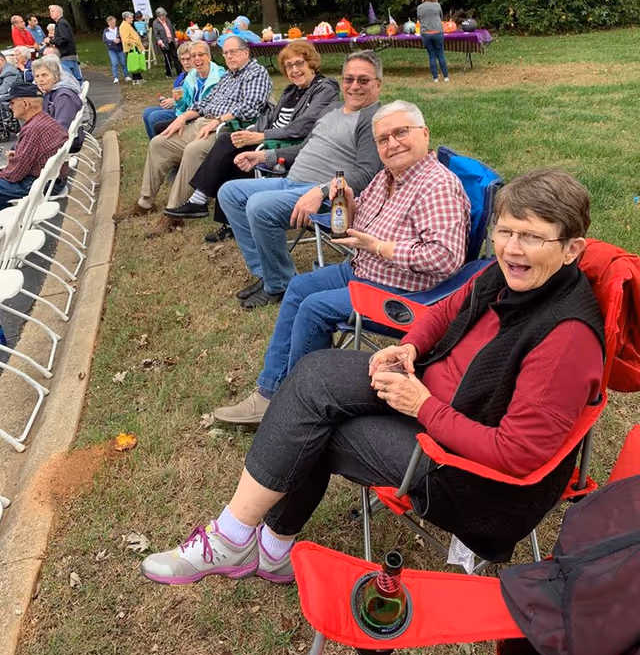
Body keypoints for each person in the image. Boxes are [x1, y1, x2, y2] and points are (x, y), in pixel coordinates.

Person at [141, 168, 605, 586]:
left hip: (473, 479)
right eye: (505, 231)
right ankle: (250, 541)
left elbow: (516, 456)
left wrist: (421, 405)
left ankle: (248, 542)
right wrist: (409, 346)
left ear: (571, 250)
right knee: (314, 375)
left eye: (531, 237)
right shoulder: (502, 275)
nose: (512, 247)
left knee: (323, 425)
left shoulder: (566, 339)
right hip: (436, 401)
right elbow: (445, 309)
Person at [214, 100, 471, 425]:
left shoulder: (436, 185)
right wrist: (347, 201)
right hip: (363, 271)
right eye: (383, 139)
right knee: (299, 287)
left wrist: (378, 247)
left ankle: (297, 405)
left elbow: (445, 258)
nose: (392, 144)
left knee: (314, 308)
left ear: (424, 133)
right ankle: (269, 392)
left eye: (401, 133)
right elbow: (360, 212)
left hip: (401, 290)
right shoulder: (388, 177)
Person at [216, 50, 384, 308]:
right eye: (349, 79)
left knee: (259, 207)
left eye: (363, 80)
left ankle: (280, 285)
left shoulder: (373, 119)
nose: (354, 86)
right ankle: (268, 273)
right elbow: (306, 147)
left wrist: (320, 191)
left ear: (378, 85)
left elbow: (365, 173)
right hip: (291, 181)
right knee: (229, 193)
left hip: (329, 198)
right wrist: (265, 157)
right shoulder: (334, 109)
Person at [164, 40, 340, 235]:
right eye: (289, 66)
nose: (294, 70)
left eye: (299, 64)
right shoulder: (291, 90)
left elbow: (303, 127)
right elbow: (270, 118)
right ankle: (224, 217)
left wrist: (259, 136)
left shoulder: (324, 88)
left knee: (230, 144)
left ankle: (202, 201)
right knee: (233, 141)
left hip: (290, 143)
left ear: (311, 63)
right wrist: (251, 132)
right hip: (269, 136)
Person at [114, 37, 272, 238]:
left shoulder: (255, 73)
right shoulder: (228, 77)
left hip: (227, 129)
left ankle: (174, 213)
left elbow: (251, 107)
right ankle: (145, 203)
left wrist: (217, 121)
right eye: (226, 53)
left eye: (234, 52)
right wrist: (183, 118)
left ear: (246, 52)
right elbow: (204, 102)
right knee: (159, 143)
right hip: (202, 123)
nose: (229, 56)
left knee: (193, 150)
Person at [0, 81, 68, 209]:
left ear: (25, 104)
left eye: (12, 102)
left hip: (40, 184)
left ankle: (9, 225)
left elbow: (16, 174)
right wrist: (18, 156)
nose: (10, 106)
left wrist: (4, 171)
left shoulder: (33, 129)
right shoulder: (45, 120)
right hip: (53, 180)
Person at [141, 42, 193, 139]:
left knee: (154, 117)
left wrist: (174, 102)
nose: (185, 63)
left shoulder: (195, 76)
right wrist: (169, 100)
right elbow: (178, 95)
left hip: (186, 110)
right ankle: (153, 143)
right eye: (182, 60)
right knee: (147, 112)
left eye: (188, 59)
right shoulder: (182, 76)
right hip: (178, 106)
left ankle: (161, 146)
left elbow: (193, 99)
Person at [32, 56, 85, 151]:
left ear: (55, 76)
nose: (40, 80)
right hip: (58, 140)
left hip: (65, 144)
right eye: (37, 76)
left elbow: (62, 128)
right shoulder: (50, 92)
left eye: (44, 75)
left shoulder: (64, 96)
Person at [417, 0, 449, 84]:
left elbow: (419, 19)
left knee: (431, 55)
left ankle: (435, 78)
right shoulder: (437, 5)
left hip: (426, 33)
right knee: (440, 54)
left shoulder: (419, 7)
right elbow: (441, 17)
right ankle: (446, 76)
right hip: (438, 32)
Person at [44, 5, 82, 84]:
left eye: (53, 11)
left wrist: (51, 41)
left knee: (69, 79)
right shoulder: (63, 23)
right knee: (77, 79)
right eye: (50, 12)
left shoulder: (61, 23)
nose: (51, 13)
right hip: (71, 55)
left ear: (59, 12)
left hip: (67, 56)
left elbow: (64, 39)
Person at [152, 7, 182, 79]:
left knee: (175, 56)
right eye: (162, 16)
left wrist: (175, 38)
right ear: (158, 16)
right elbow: (156, 34)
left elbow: (172, 29)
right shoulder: (155, 23)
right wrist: (160, 42)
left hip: (171, 41)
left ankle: (180, 73)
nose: (164, 17)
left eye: (164, 15)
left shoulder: (167, 20)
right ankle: (168, 74)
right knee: (167, 58)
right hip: (163, 42)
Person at [102, 16, 131, 83]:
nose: (113, 24)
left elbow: (123, 36)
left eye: (114, 23)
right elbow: (104, 40)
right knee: (114, 63)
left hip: (120, 48)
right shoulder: (106, 30)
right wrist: (112, 41)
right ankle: (116, 77)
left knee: (123, 62)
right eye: (111, 23)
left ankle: (126, 76)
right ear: (108, 23)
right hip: (111, 49)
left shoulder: (119, 29)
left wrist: (120, 40)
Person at [119, 12, 144, 83]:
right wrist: (133, 44)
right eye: (131, 18)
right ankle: (136, 79)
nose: (132, 19)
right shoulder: (124, 26)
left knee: (137, 62)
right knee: (134, 63)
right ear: (126, 18)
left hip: (134, 47)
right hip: (132, 47)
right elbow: (125, 38)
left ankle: (139, 78)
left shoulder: (127, 25)